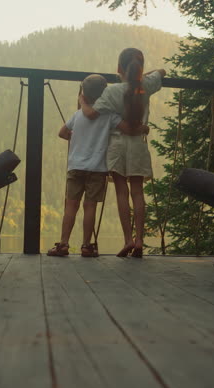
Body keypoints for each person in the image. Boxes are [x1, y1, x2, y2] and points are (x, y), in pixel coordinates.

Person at [47, 73, 149, 257]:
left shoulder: (77, 115)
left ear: (83, 95)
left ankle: (63, 244)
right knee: (90, 206)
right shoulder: (109, 116)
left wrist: (75, 136)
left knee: (71, 205)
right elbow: (128, 129)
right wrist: (144, 128)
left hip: (75, 167)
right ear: (104, 96)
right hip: (97, 169)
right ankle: (86, 245)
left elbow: (62, 133)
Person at [80, 48, 166, 258]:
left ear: (119, 68)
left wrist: (83, 100)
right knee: (137, 192)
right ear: (140, 69)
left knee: (121, 192)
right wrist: (144, 76)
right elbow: (162, 71)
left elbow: (91, 114)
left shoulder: (111, 92)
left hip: (117, 146)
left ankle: (127, 239)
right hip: (138, 144)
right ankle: (139, 240)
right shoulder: (146, 85)